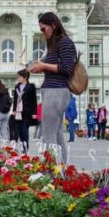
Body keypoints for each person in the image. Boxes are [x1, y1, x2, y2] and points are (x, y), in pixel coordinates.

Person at [27, 11, 78, 164]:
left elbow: (67, 68)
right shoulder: (55, 44)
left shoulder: (65, 43)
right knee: (56, 133)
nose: (43, 32)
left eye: (44, 29)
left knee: (48, 134)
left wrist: (43, 65)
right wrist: (39, 66)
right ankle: (61, 167)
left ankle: (51, 168)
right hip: (52, 90)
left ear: (53, 25)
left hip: (57, 90)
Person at [9, 69, 38, 153]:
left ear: (25, 77)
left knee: (25, 131)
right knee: (20, 131)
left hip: (27, 112)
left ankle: (25, 149)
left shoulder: (31, 86)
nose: (18, 78)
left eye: (19, 76)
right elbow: (15, 99)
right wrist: (14, 110)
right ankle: (22, 146)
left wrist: (34, 113)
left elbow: (34, 100)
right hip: (18, 112)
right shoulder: (17, 86)